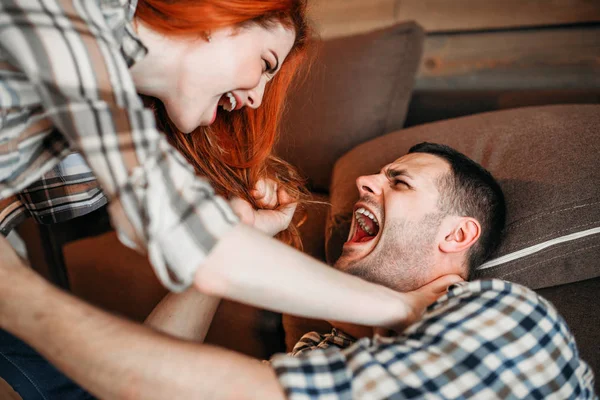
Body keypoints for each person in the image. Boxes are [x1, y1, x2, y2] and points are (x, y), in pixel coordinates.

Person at [0, 143, 595, 399]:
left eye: (399, 181)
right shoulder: (321, 345)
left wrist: (22, 297)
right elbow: (158, 371)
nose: (365, 182)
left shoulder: (512, 316)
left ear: (457, 235)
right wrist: (224, 244)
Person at [0, 0, 424, 337]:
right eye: (265, 64)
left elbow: (69, 199)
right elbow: (191, 242)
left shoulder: (127, 104)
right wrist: (401, 308)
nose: (257, 98)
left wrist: (231, 214)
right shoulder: (71, 19)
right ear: (220, 16)